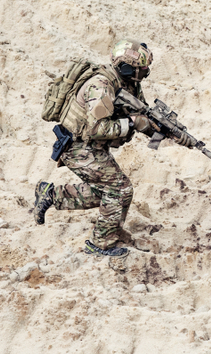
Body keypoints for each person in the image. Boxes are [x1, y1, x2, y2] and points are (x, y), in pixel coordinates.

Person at [32, 39, 155, 257]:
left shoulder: (129, 83)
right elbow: (96, 128)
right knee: (119, 189)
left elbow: (141, 112)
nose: (146, 73)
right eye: (142, 69)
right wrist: (132, 123)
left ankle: (51, 195)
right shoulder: (101, 86)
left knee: (110, 192)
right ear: (127, 68)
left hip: (93, 147)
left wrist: (159, 128)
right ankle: (101, 244)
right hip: (77, 147)